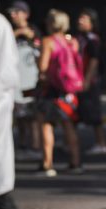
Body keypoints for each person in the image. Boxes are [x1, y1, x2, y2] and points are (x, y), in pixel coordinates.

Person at [34, 9, 84, 176]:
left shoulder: (48, 41)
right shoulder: (72, 41)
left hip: (52, 89)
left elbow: (43, 67)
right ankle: (75, 162)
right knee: (68, 125)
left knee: (47, 125)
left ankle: (47, 164)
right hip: (69, 89)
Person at [7, 0, 42, 159]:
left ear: (25, 14)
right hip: (15, 80)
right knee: (19, 116)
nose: (13, 15)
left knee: (32, 115)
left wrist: (29, 35)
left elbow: (40, 48)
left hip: (30, 81)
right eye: (12, 12)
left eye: (17, 12)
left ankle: (35, 146)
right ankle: (22, 144)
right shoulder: (8, 31)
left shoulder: (34, 31)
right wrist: (14, 34)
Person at [75, 9, 106, 156]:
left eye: (85, 19)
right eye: (80, 18)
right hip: (78, 79)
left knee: (94, 115)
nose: (80, 21)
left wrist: (87, 79)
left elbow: (94, 60)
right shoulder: (79, 38)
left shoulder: (92, 39)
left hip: (89, 81)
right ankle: (70, 142)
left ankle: (101, 143)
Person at [0, 7, 20, 209]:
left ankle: (1, 197)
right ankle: (1, 196)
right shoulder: (1, 24)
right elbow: (9, 67)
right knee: (0, 149)